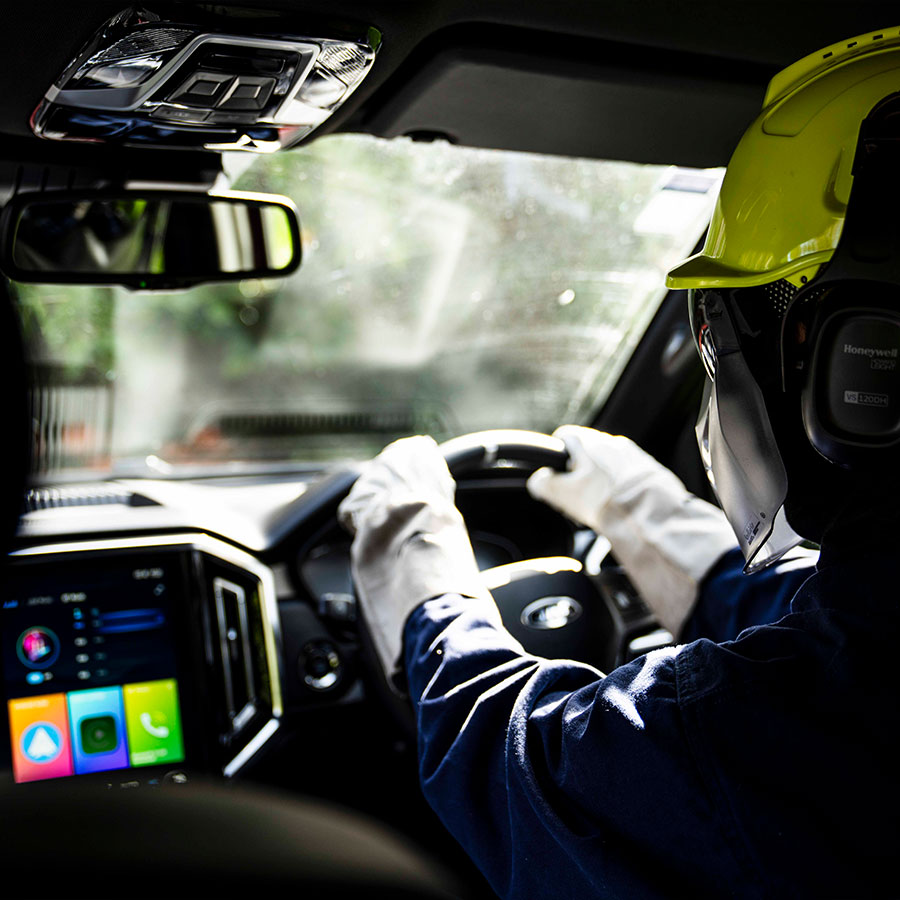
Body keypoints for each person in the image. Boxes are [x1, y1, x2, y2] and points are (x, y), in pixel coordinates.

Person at [338, 29, 900, 898]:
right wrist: (656, 525)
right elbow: (842, 635)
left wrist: (419, 570)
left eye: (728, 336)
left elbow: (518, 766)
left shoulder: (754, 743)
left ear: (846, 368)